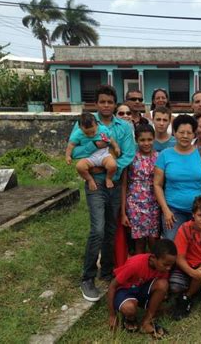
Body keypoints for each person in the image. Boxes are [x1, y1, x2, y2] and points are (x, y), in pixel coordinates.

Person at [69, 85, 136, 302]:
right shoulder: (85, 123)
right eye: (102, 102)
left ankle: (106, 271)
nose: (106, 106)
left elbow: (128, 154)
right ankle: (87, 277)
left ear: (114, 104)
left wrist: (110, 170)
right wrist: (94, 155)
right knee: (97, 229)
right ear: (96, 104)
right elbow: (75, 150)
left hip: (114, 183)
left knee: (110, 228)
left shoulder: (123, 127)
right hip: (94, 185)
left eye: (110, 102)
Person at [107, 239, 177, 339]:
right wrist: (112, 315)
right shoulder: (135, 264)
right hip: (125, 290)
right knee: (130, 309)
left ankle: (146, 322)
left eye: (171, 265)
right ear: (153, 258)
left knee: (163, 284)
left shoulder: (163, 268)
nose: (169, 268)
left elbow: (161, 286)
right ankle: (130, 317)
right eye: (166, 265)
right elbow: (112, 286)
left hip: (140, 289)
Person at [120, 124, 160, 254]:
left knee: (154, 239)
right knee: (140, 241)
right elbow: (124, 184)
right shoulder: (131, 157)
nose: (146, 143)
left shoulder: (159, 157)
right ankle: (140, 270)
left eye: (149, 139)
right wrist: (123, 212)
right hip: (135, 204)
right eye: (142, 140)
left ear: (154, 139)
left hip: (154, 202)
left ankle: (154, 270)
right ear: (136, 140)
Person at [65, 111, 120, 191]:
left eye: (93, 132)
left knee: (112, 165)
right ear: (80, 128)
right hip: (89, 157)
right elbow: (71, 145)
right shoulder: (77, 134)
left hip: (103, 154)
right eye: (87, 133)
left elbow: (111, 139)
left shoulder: (103, 129)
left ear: (97, 125)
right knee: (80, 166)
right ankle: (90, 179)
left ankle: (108, 178)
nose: (91, 135)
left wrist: (116, 147)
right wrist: (68, 156)